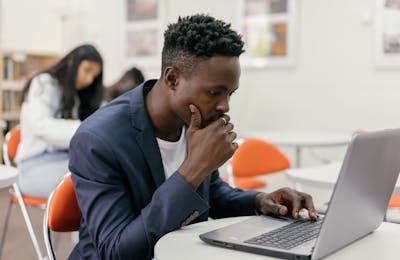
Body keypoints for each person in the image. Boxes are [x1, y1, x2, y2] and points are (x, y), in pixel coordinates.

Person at [68, 14, 318, 260]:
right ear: (173, 79)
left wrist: (260, 201)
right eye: (214, 92)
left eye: (230, 94)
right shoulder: (98, 140)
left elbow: (213, 195)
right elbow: (116, 251)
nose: (225, 106)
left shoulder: (192, 118)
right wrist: (193, 169)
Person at [15, 44, 104, 198]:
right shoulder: (43, 83)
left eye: (94, 76)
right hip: (33, 165)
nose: (89, 80)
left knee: (102, 173)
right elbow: (41, 126)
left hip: (62, 159)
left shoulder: (72, 96)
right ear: (71, 61)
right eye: (87, 70)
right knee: (90, 181)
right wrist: (83, 128)